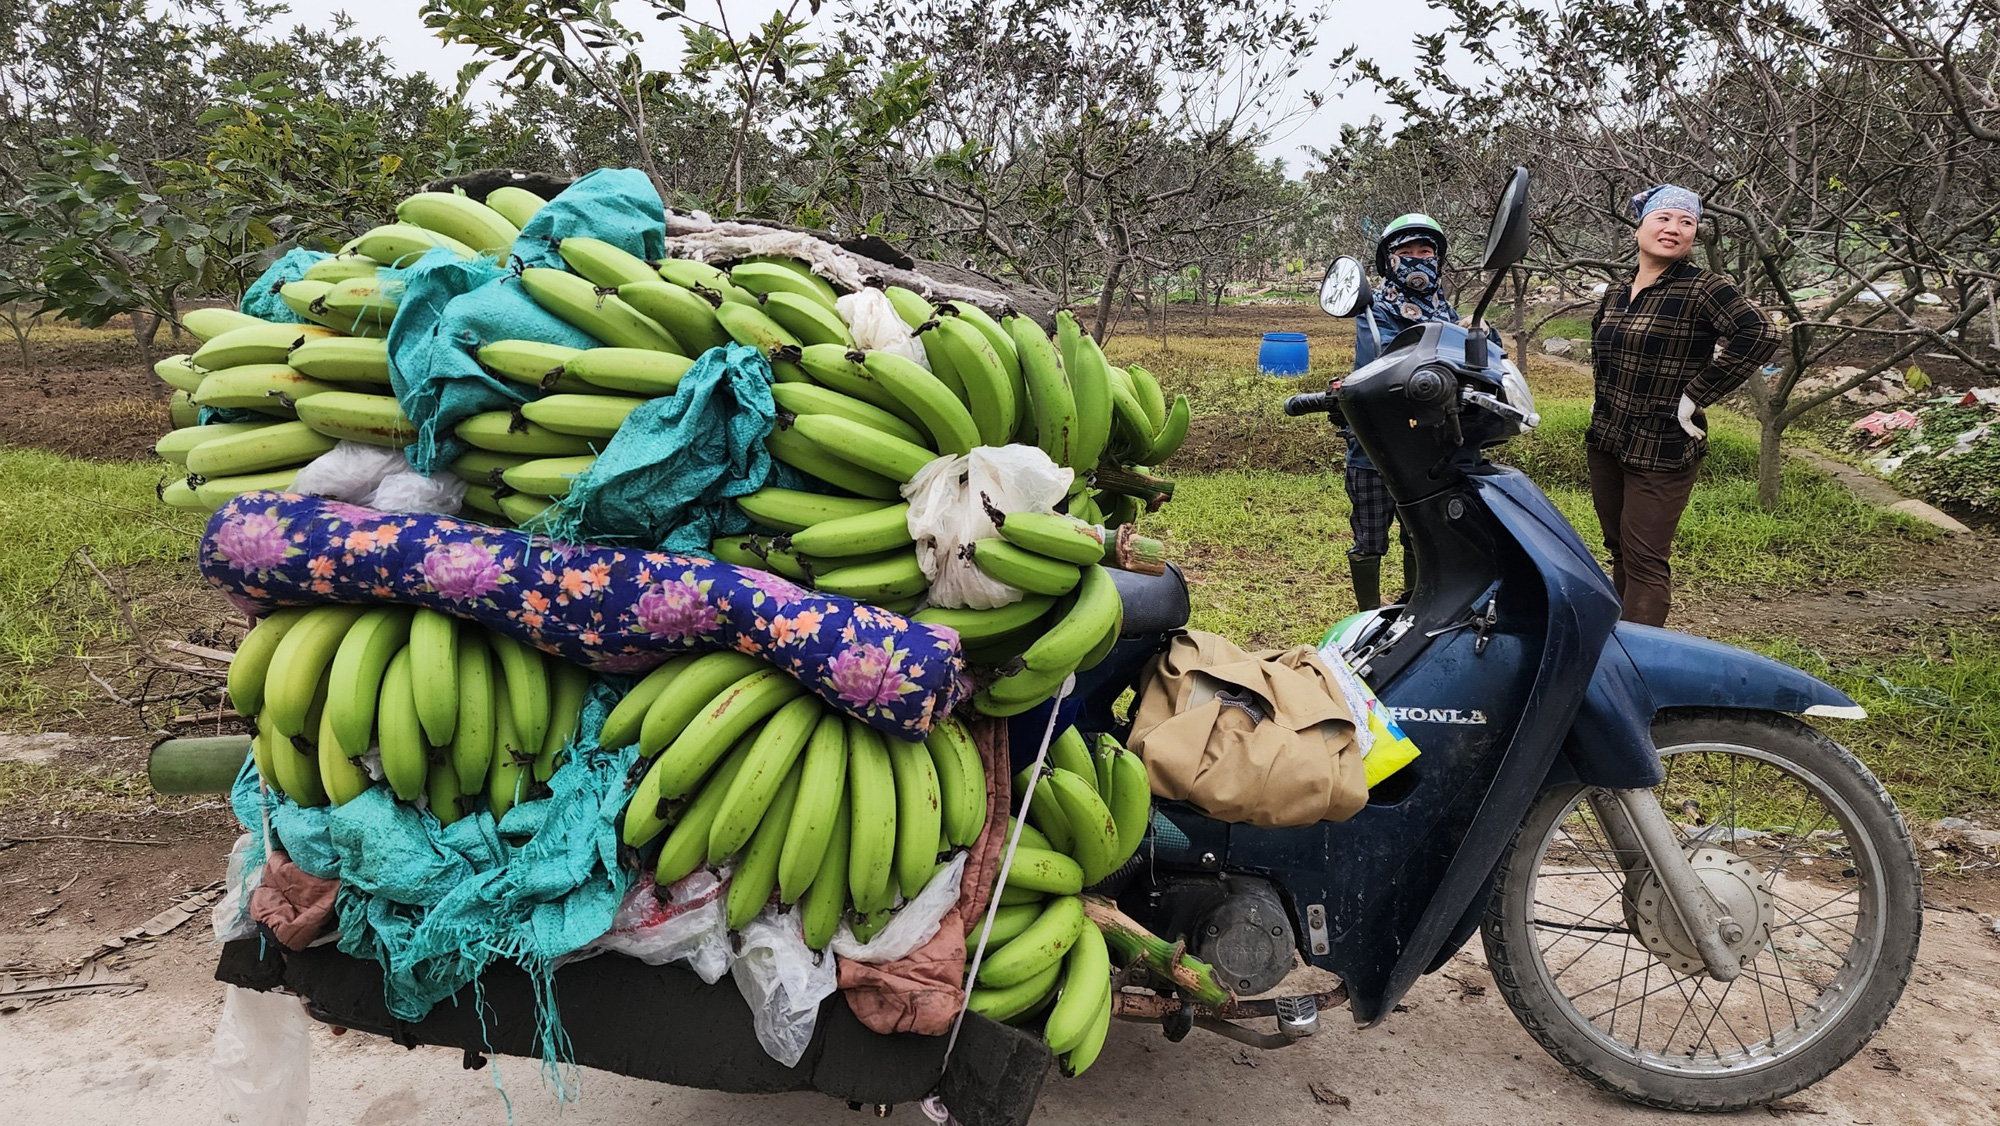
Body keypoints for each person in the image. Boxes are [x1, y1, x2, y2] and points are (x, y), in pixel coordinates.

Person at [1587, 184, 1779, 626]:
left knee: (1645, 559)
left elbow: (1761, 334)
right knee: (1618, 549)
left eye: (1686, 222)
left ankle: (1639, 662)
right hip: (1608, 439)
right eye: (1663, 218)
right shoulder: (1616, 291)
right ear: (1640, 226)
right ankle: (1616, 639)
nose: (1674, 229)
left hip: (1663, 446)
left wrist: (1694, 396)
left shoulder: (1703, 287)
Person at [1341, 213, 1460, 611]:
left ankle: (1416, 607)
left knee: (1421, 532)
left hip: (1432, 441)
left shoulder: (1449, 312)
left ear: (1438, 258)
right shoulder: (1373, 311)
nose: (1415, 259)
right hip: (1378, 443)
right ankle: (1368, 617)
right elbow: (1388, 362)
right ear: (1388, 261)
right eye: (1404, 252)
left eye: (1424, 251)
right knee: (1371, 535)